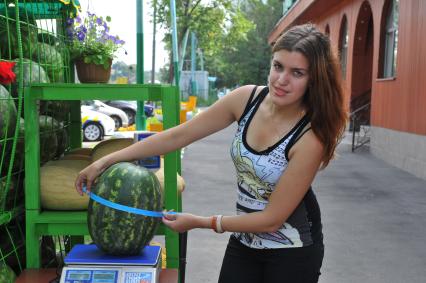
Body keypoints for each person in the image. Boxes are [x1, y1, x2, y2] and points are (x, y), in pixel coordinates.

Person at [75, 23, 347, 283]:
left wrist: (200, 222)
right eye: (278, 66)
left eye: (297, 73)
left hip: (293, 248)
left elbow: (272, 220)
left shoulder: (310, 137)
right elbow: (178, 135)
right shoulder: (246, 100)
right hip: (245, 238)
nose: (281, 80)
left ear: (314, 80)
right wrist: (106, 161)